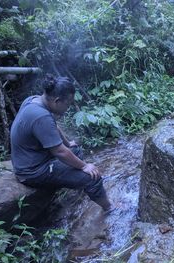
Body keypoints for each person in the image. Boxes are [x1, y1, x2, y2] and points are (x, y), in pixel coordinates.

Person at [10, 74, 113, 213]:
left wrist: (68, 143)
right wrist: (85, 166)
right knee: (91, 178)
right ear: (57, 101)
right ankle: (109, 208)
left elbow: (54, 127)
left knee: (75, 150)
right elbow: (59, 152)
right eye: (68, 104)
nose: (68, 107)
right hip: (32, 171)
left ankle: (82, 186)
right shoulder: (41, 116)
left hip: (32, 157)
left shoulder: (34, 100)